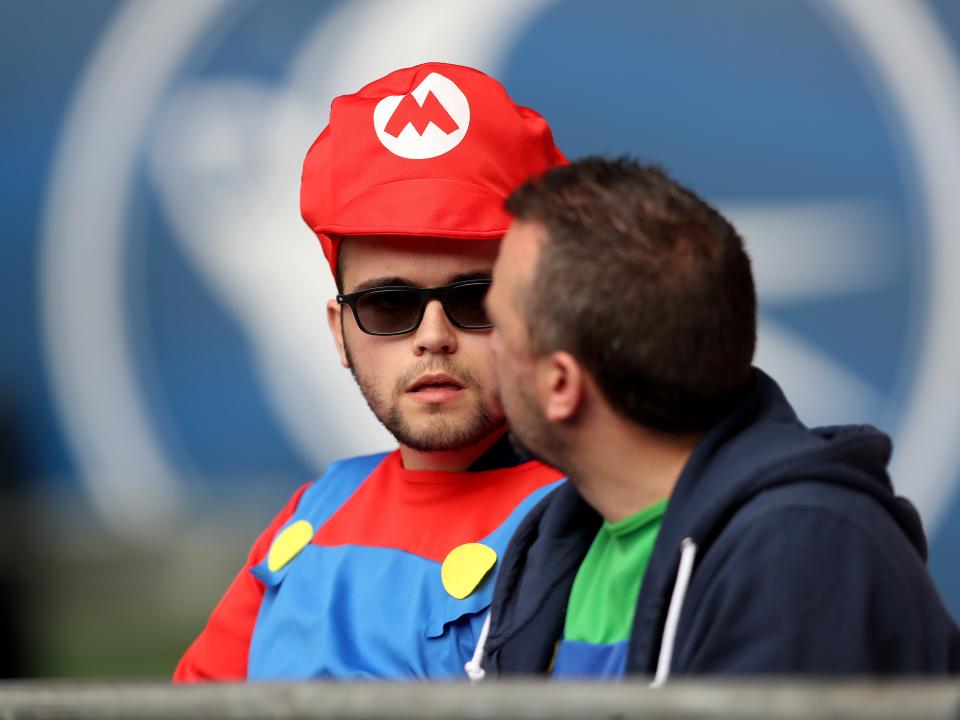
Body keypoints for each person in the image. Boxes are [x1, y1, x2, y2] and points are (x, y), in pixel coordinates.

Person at [478, 156, 960, 680]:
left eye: (497, 324)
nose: (487, 348)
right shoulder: (558, 538)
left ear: (561, 385)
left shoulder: (802, 554)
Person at [174, 62, 567, 681]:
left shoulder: (595, 520)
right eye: (389, 304)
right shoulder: (314, 513)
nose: (433, 337)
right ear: (340, 331)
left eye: (476, 299)